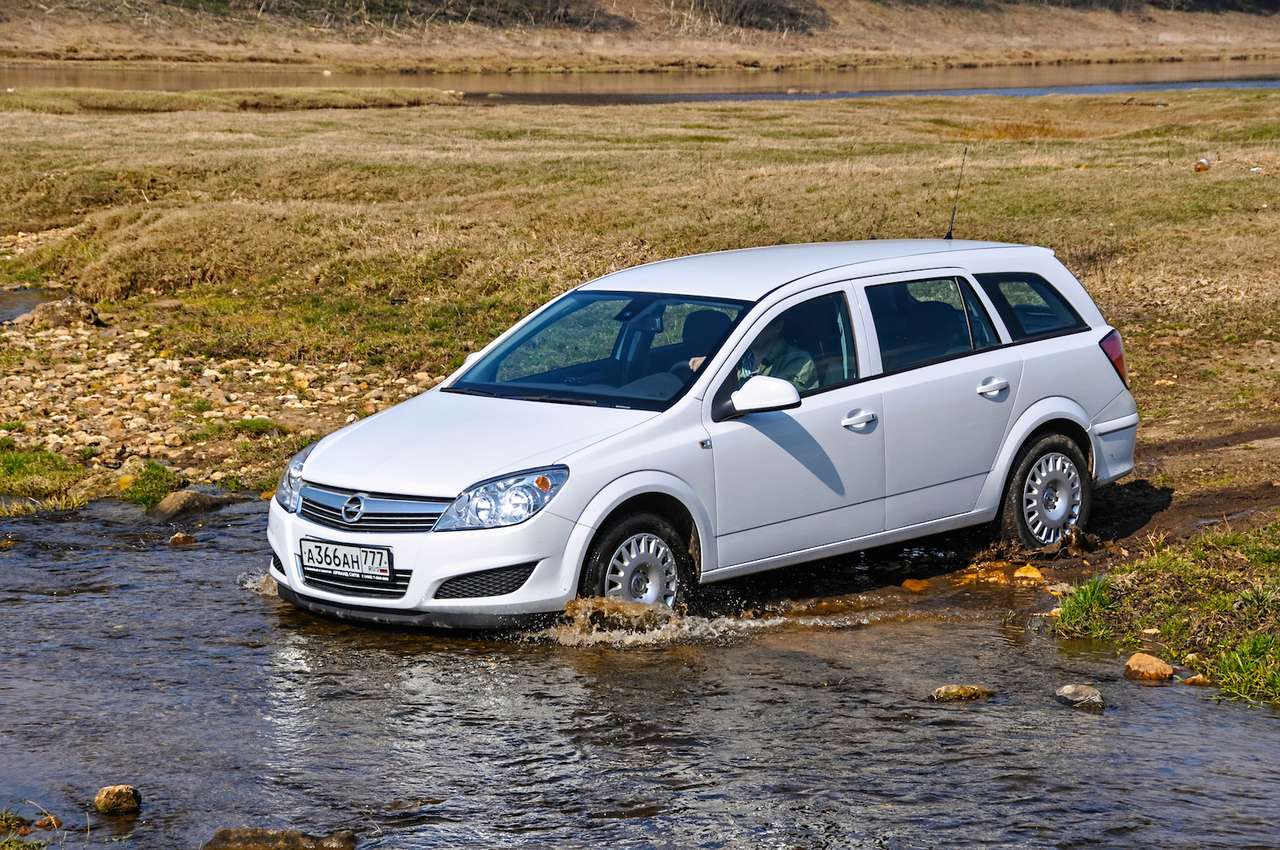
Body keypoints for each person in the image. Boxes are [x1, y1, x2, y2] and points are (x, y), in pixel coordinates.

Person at [735, 316, 817, 393]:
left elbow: (785, 397)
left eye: (755, 325)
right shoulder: (734, 356)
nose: (747, 331)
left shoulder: (799, 361)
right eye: (745, 325)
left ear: (778, 326)